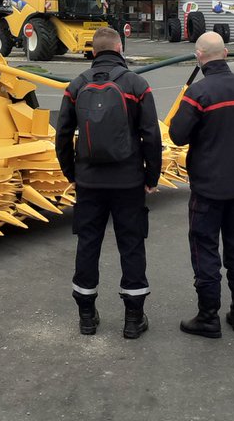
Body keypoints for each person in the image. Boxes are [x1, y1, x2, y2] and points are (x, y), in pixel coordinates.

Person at [55, 27, 163, 338]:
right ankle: (133, 319)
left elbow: (62, 135)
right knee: (132, 244)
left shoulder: (77, 85)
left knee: (88, 243)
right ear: (119, 49)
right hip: (128, 182)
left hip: (89, 183)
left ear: (93, 52)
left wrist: (72, 174)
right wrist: (151, 177)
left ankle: (86, 316)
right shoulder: (136, 84)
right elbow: (151, 135)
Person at [168, 31, 234, 338]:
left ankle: (208, 315)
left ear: (199, 57)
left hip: (207, 185)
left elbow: (177, 135)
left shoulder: (197, 93)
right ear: (225, 54)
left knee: (205, 248)